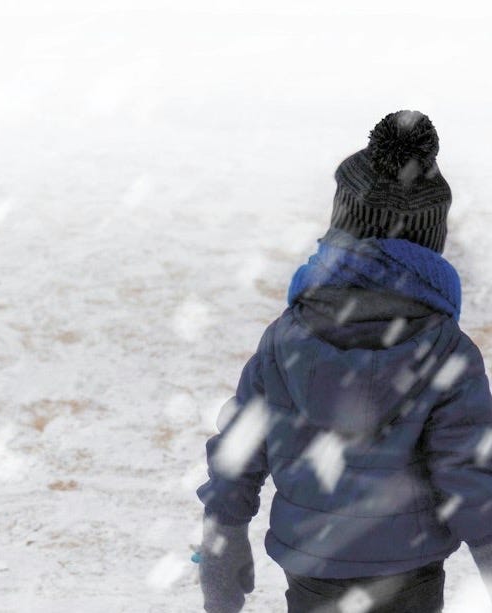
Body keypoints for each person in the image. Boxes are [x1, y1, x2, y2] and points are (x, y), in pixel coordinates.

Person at [194, 110, 492, 613]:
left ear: (340, 224)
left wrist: (223, 533)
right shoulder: (446, 349)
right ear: (431, 239)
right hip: (409, 571)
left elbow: (240, 447)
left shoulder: (285, 338)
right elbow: (468, 471)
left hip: (313, 561)